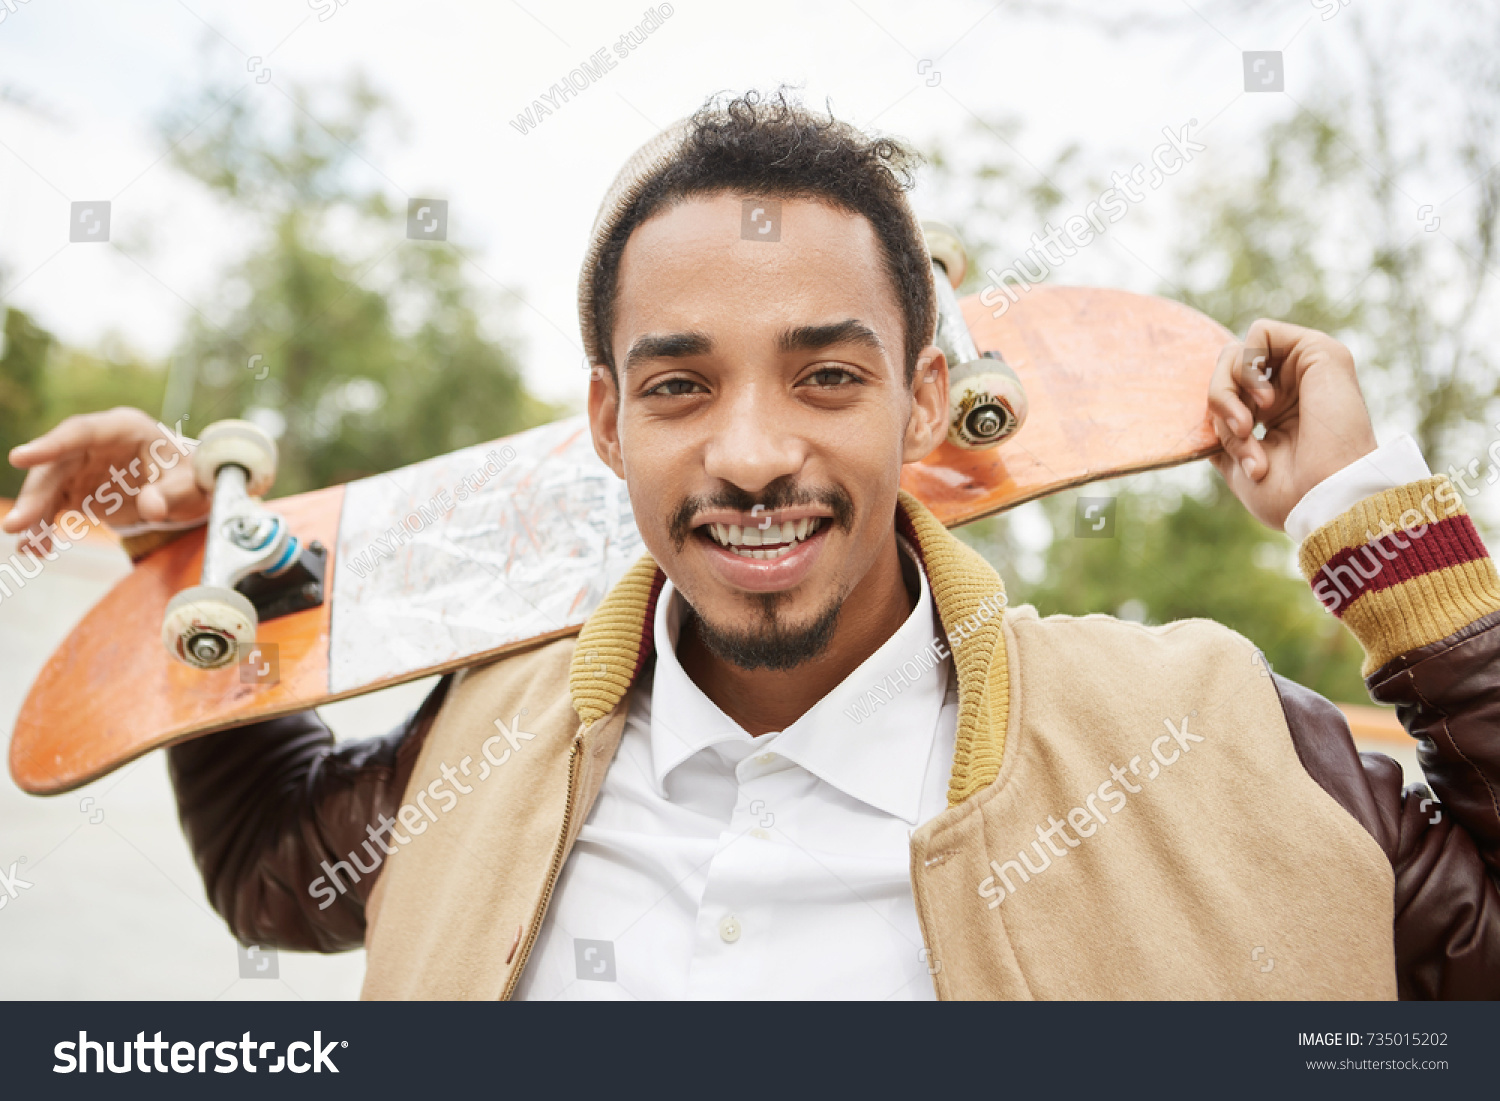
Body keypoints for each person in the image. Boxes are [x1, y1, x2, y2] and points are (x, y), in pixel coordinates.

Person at [8, 90, 1499, 1000]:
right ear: (607, 422)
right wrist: (188, 562)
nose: (750, 451)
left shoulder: (1200, 733)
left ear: (926, 396)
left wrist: (1365, 514)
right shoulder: (494, 741)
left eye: (827, 373)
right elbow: (280, 866)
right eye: (679, 385)